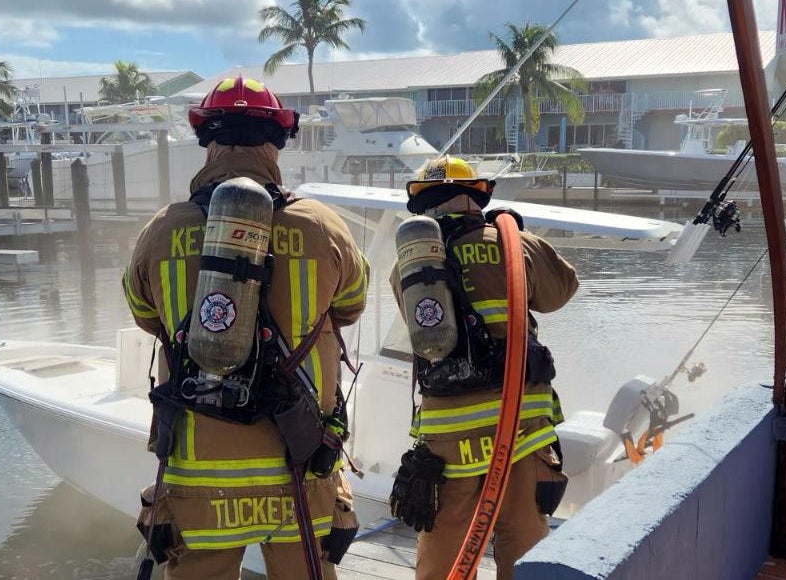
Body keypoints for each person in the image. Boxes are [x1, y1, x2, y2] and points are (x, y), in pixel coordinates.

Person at [123, 76, 369, 580]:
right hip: (301, 466)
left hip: (198, 477)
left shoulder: (161, 230)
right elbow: (351, 307)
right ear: (276, 142)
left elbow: (145, 317)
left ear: (206, 141)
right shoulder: (324, 227)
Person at [388, 156, 578, 580]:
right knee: (523, 543)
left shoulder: (409, 263)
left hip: (449, 434)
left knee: (445, 553)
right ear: (478, 196)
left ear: (423, 206)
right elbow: (562, 290)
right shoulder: (514, 244)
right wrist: (517, 234)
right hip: (521, 432)